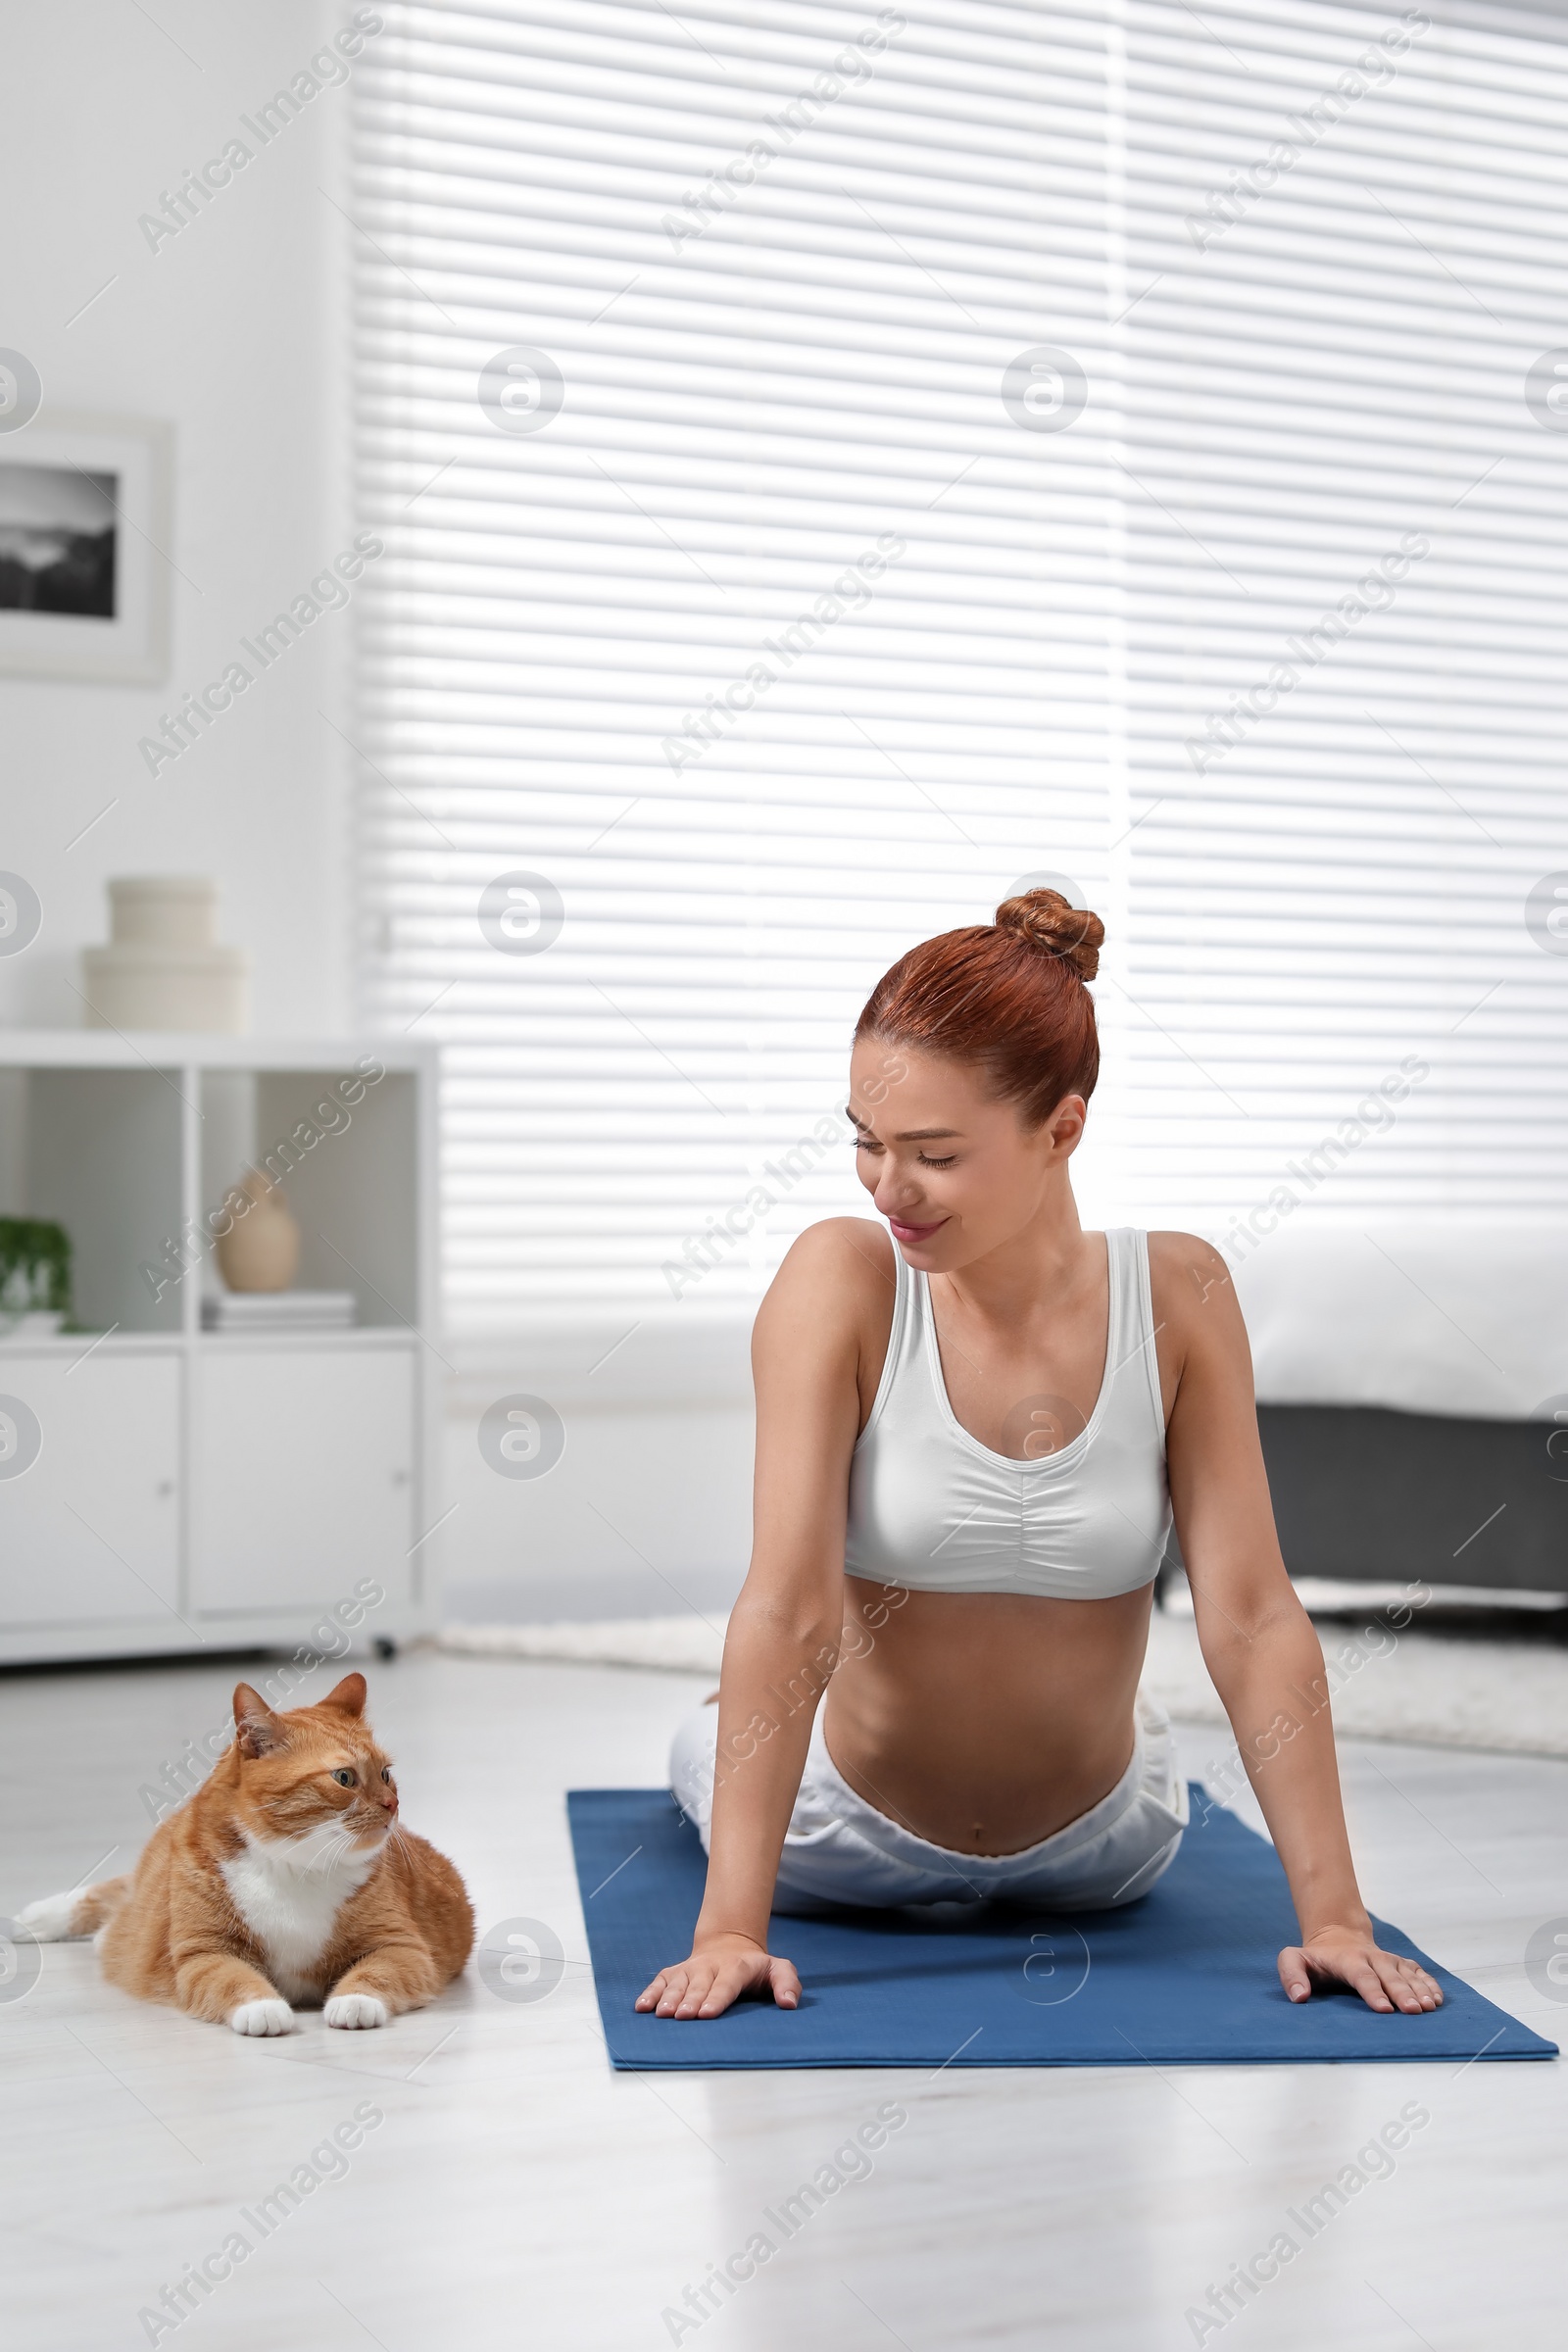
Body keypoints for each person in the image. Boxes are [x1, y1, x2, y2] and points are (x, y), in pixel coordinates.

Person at [636, 889, 1443, 2024]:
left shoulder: (1178, 1291)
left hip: (1106, 1852)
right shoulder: (843, 1281)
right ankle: (726, 1725)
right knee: (717, 1722)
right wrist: (730, 1930)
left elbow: (1253, 1617)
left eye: (935, 1155)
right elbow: (790, 1608)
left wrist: (1336, 1922)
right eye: (865, 1145)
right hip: (840, 1841)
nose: (887, 1189)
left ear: (1060, 1130)